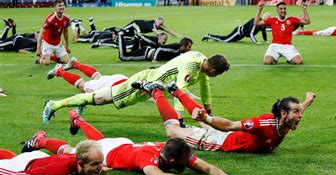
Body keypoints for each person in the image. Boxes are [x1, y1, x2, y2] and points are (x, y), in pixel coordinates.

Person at [24, 111, 237, 175]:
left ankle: (78, 120)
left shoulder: (173, 148)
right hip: (110, 154)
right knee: (72, 152)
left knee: (101, 140)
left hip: (123, 144)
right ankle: (41, 141)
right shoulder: (148, 158)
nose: (189, 163)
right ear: (171, 162)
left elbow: (204, 165)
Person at [42, 51, 230, 125]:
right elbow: (177, 92)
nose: (215, 77)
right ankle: (54, 104)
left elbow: (205, 86)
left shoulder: (202, 61)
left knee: (98, 96)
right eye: (218, 74)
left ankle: (66, 104)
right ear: (213, 69)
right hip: (142, 84)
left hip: (148, 84)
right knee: (98, 98)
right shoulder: (190, 67)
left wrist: (208, 111)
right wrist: (180, 122)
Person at [132, 80, 316, 153]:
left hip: (231, 136)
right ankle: (155, 91)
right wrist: (208, 121)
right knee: (172, 131)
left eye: (299, 111)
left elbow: (298, 111)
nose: (300, 115)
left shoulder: (287, 121)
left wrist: (307, 102)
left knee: (202, 118)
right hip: (221, 140)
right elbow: (230, 125)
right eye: (297, 112)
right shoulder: (265, 122)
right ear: (283, 114)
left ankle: (175, 90)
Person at [0, 139, 103, 175]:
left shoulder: (82, 159)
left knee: (11, 157)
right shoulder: (61, 174)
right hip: (23, 165)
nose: (100, 167)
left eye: (101, 162)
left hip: (43, 158)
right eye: (95, 164)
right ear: (81, 163)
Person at [254, 1, 310, 65]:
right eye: (281, 9)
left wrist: (304, 9)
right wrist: (260, 10)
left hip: (288, 46)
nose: (283, 10)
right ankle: (274, 59)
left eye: (284, 9)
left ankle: (290, 59)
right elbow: (256, 23)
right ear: (277, 11)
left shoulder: (291, 19)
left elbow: (307, 21)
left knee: (299, 62)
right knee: (267, 62)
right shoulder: (272, 20)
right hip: (275, 46)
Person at [36, 0, 71, 65]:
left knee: (67, 61)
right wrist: (38, 48)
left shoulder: (66, 18)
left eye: (63, 5)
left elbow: (65, 32)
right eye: (59, 6)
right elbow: (41, 33)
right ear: (55, 8)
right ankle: (40, 59)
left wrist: (67, 46)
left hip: (58, 44)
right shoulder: (50, 19)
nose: (62, 7)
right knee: (46, 63)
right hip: (47, 44)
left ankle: (54, 57)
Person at [202, 14, 269, 43]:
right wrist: (256, 42)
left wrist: (265, 40)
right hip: (238, 32)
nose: (265, 23)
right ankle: (209, 36)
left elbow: (264, 33)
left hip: (242, 35)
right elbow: (251, 33)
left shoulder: (263, 25)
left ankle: (214, 36)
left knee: (226, 39)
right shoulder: (255, 21)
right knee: (225, 40)